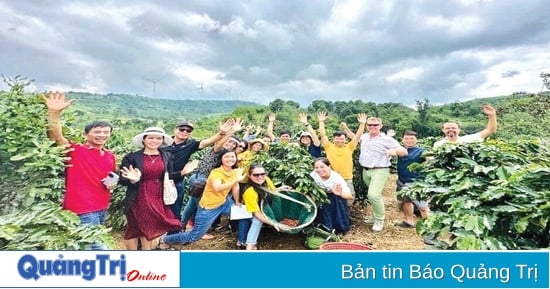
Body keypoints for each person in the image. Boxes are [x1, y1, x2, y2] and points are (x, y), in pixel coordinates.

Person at [43, 91, 116, 250]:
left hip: (101, 207)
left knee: (86, 247)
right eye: (97, 132)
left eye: (105, 132)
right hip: (81, 208)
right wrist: (54, 114)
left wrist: (112, 183)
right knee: (99, 248)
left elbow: (110, 176)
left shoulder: (110, 155)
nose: (101, 135)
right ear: (86, 134)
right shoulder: (76, 150)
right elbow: (56, 137)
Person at [160, 150, 245, 246]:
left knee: (243, 216)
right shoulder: (216, 173)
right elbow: (217, 188)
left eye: (232, 157)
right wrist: (235, 179)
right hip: (209, 207)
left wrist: (237, 201)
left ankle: (242, 241)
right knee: (194, 236)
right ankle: (165, 239)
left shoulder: (234, 172)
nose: (230, 159)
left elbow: (235, 186)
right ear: (221, 159)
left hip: (224, 203)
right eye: (227, 157)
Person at [118, 127, 183, 250]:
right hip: (138, 195)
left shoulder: (167, 156)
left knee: (150, 225)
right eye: (151, 138)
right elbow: (123, 179)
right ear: (144, 140)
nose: (154, 141)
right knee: (134, 227)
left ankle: (146, 253)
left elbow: (167, 175)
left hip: (157, 194)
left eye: (158, 138)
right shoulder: (132, 157)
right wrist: (132, 179)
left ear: (162, 140)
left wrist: (182, 173)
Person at [162, 118, 236, 221]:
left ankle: (174, 234)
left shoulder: (190, 144)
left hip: (177, 182)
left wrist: (222, 132)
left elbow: (209, 141)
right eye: (182, 129)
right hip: (158, 181)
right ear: (175, 130)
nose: (185, 132)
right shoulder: (162, 143)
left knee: (175, 209)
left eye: (188, 131)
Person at [181, 120, 243, 236]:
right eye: (229, 142)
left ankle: (182, 224)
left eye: (233, 144)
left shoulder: (226, 155)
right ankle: (198, 230)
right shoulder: (217, 150)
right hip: (201, 180)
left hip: (200, 178)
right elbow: (219, 144)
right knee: (202, 206)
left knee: (192, 204)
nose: (230, 145)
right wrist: (232, 131)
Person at [358, 117, 408, 232]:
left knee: (373, 195)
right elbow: (353, 137)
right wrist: (345, 128)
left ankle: (379, 220)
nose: (372, 127)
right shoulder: (364, 137)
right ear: (367, 126)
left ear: (380, 126)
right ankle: (375, 216)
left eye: (375, 125)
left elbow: (404, 151)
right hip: (366, 170)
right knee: (373, 195)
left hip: (380, 169)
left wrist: (394, 152)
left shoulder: (386, 139)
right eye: (370, 125)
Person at [317, 111, 366, 207]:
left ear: (345, 139)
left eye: (342, 139)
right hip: (332, 178)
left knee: (349, 198)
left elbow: (357, 136)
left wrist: (362, 124)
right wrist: (321, 122)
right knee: (332, 199)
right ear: (333, 139)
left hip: (346, 178)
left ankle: (346, 217)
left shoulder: (349, 147)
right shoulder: (329, 146)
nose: (340, 140)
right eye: (337, 138)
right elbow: (323, 135)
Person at [237, 164, 285, 250]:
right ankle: (249, 246)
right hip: (249, 211)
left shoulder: (266, 180)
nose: (260, 177)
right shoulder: (250, 192)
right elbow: (257, 214)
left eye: (262, 174)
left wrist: (282, 188)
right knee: (257, 221)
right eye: (256, 175)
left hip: (261, 206)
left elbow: (273, 191)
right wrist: (273, 223)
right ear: (249, 176)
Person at [395, 131, 429, 228]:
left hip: (417, 183)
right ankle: (409, 221)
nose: (409, 141)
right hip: (402, 181)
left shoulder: (421, 151)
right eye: (406, 138)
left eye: (412, 139)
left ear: (416, 140)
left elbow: (429, 158)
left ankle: (428, 226)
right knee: (406, 201)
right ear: (402, 139)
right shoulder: (400, 150)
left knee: (422, 206)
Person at [310, 157, 353, 234]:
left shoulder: (336, 177)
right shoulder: (313, 175)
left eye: (322, 167)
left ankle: (339, 228)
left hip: (335, 197)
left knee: (336, 206)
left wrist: (340, 193)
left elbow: (349, 196)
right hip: (322, 197)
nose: (319, 170)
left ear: (329, 167)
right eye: (316, 167)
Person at [433, 104, 497, 149]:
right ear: (443, 130)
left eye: (453, 128)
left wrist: (492, 115)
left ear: (459, 130)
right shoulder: (438, 144)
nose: (451, 130)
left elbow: (490, 130)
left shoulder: (468, 140)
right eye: (447, 128)